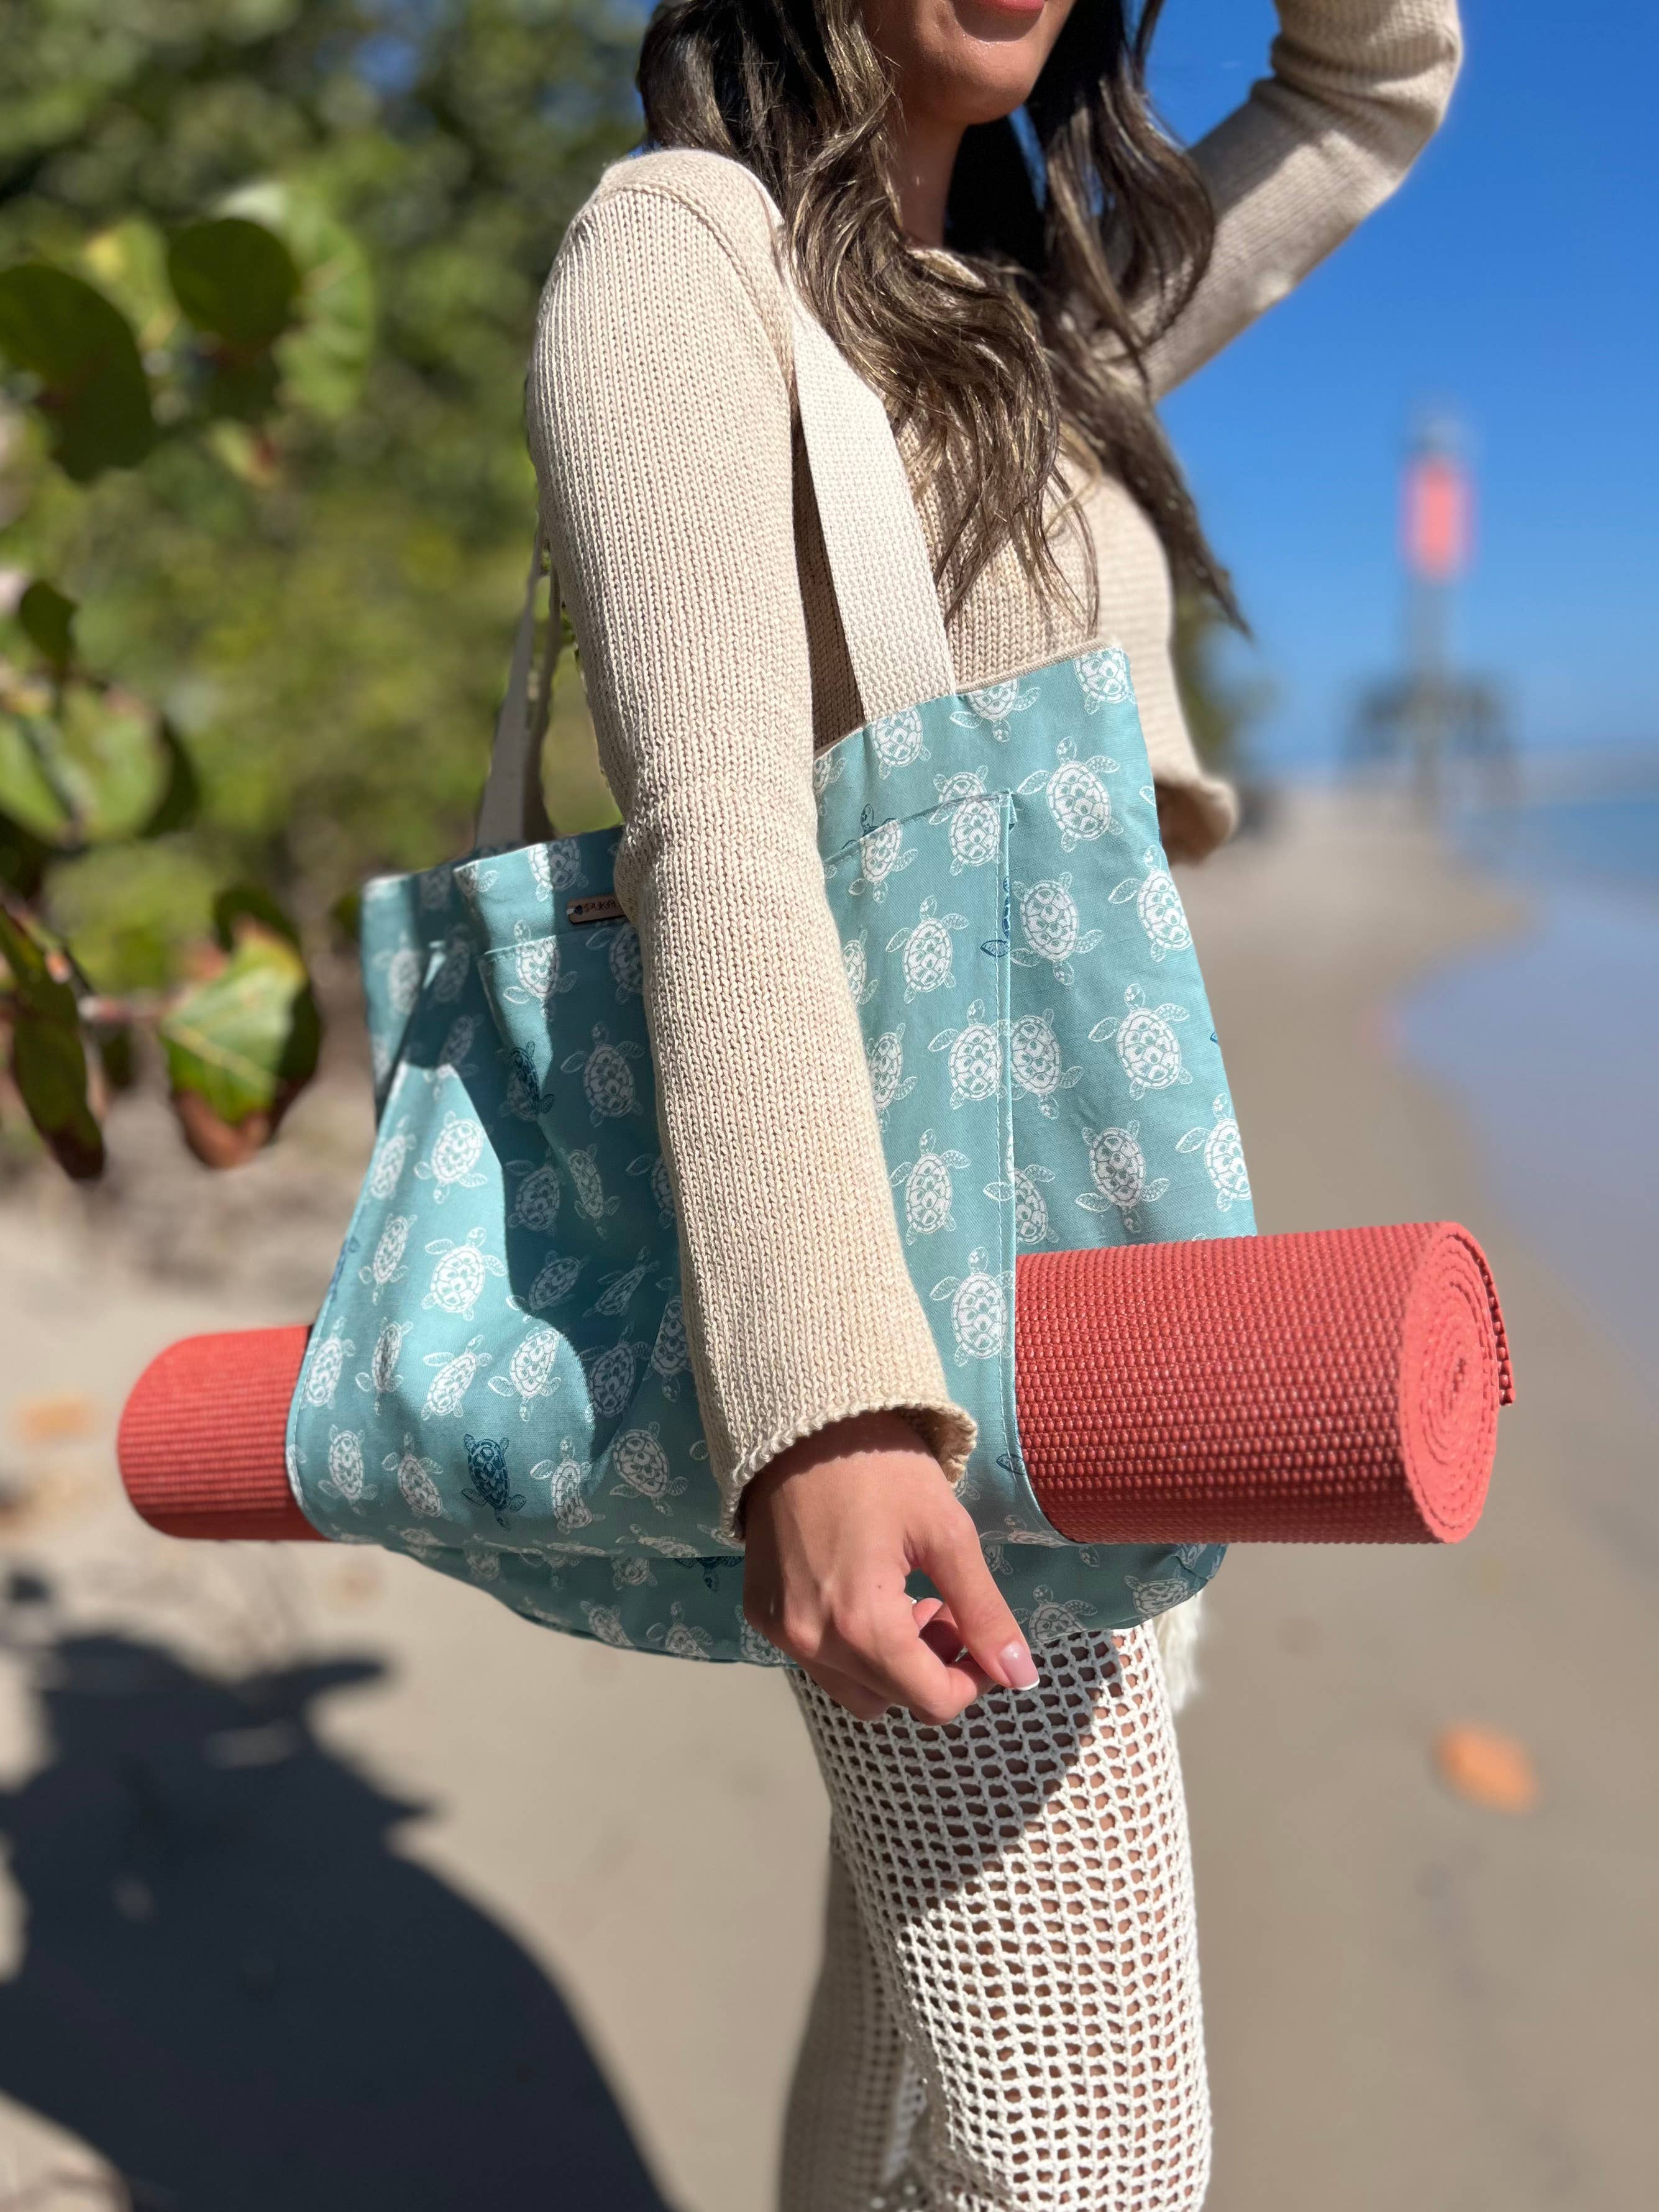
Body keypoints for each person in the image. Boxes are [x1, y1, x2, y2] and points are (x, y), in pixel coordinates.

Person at [529, 1, 1461, 2202]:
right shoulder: (685, 250)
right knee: (1091, 2154)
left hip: (1111, 1254)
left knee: (906, 2029)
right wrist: (829, 1409)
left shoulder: (1041, 325)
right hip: (891, 1300)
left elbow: (1371, 84)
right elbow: (717, 832)